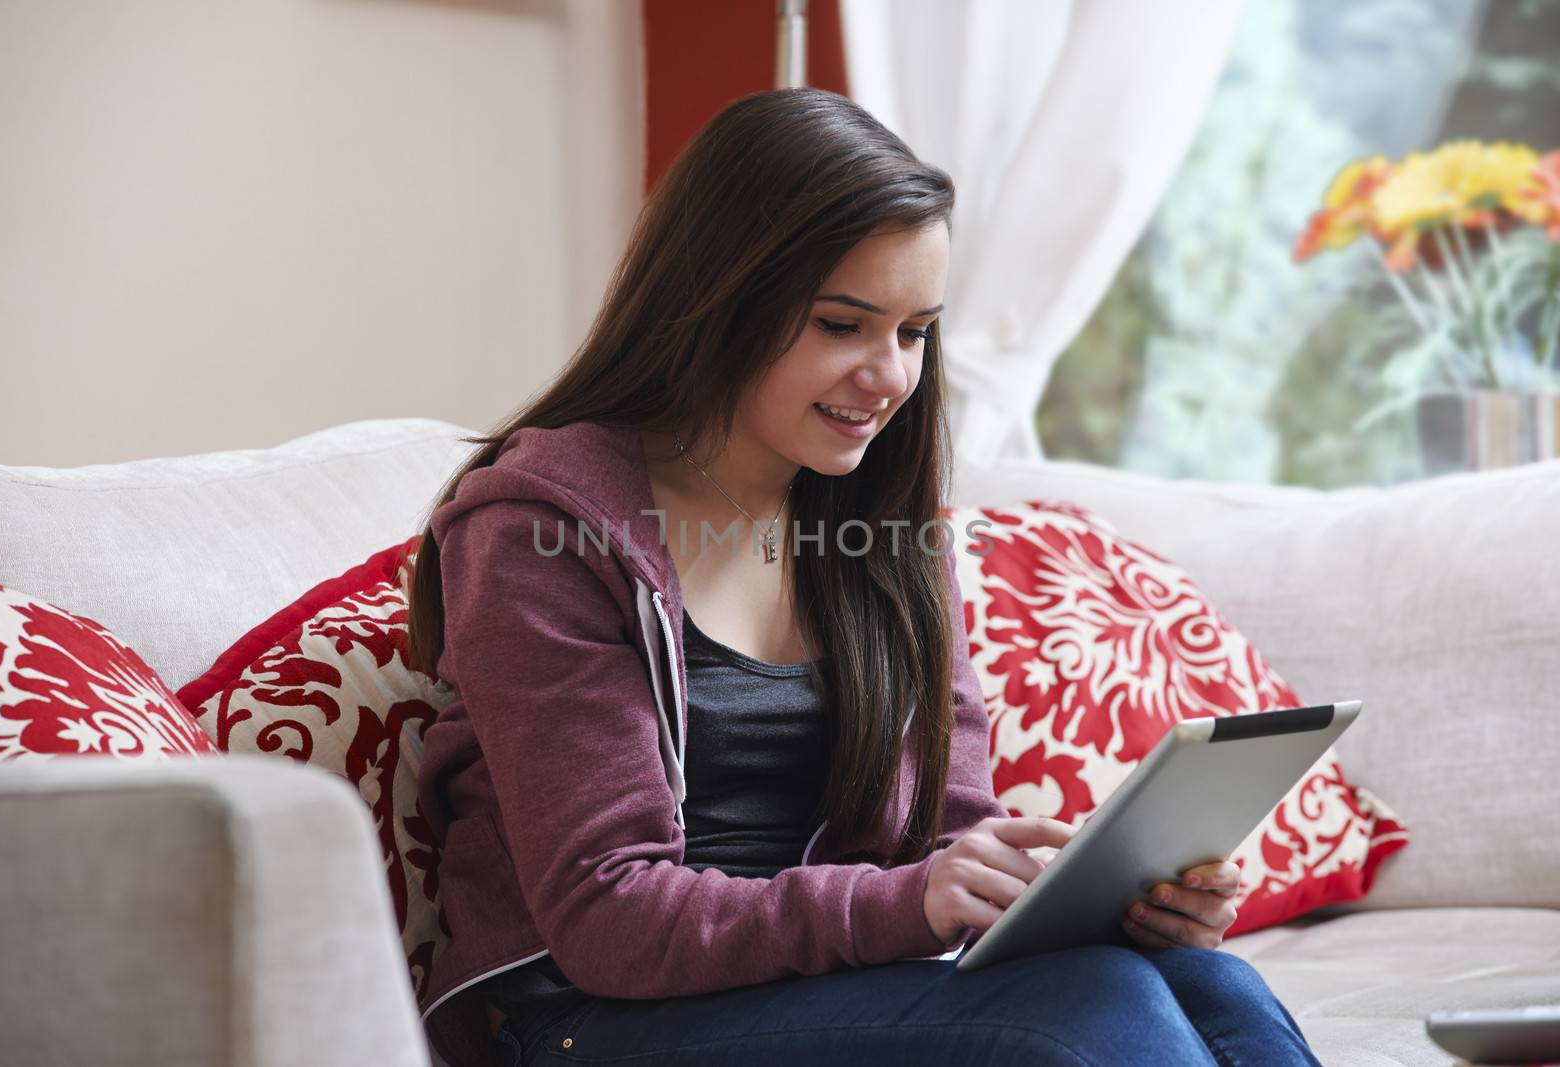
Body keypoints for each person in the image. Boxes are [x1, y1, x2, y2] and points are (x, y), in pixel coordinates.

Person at [405, 87, 1321, 1067]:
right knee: (1087, 1014)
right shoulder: (543, 534)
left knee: (1208, 983)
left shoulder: (877, 531)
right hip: (591, 1017)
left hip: (823, 989)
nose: (887, 375)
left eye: (915, 331)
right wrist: (911, 900)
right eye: (843, 324)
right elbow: (607, 915)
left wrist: (1107, 902)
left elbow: (948, 834)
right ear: (718, 299)